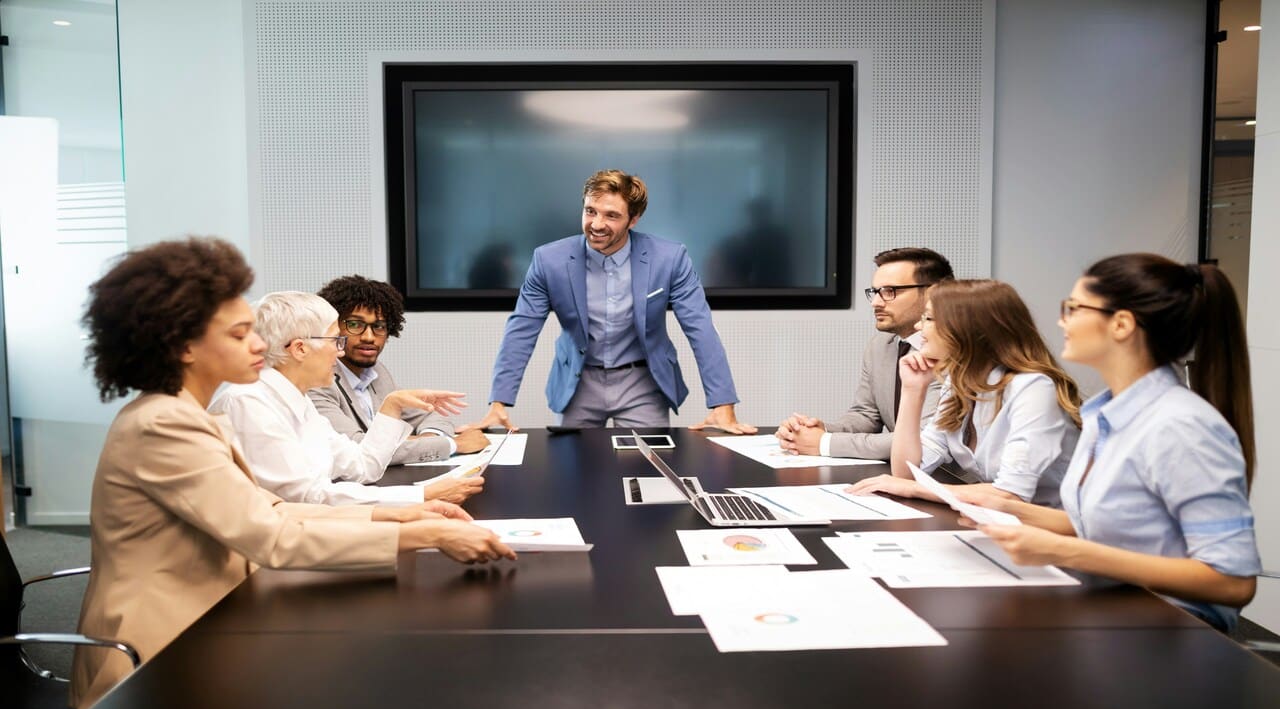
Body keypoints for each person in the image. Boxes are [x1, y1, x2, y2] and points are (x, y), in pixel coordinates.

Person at [71, 238, 513, 709]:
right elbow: (272, 536)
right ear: (184, 347)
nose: (260, 345)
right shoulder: (166, 424)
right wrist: (425, 533)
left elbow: (273, 508)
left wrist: (404, 515)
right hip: (161, 652)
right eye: (239, 334)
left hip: (212, 616)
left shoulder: (183, 412)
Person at [967, 254, 1259, 631]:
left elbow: (1233, 582)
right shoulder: (1105, 414)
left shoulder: (1180, 426)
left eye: (1073, 309)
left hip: (1173, 626)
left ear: (1121, 324)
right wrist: (1007, 510)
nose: (1062, 321)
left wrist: (1068, 551)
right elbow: (1108, 524)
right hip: (1117, 606)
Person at [464, 169, 756, 433]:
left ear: (633, 219)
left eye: (611, 215)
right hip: (578, 381)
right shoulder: (548, 260)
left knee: (648, 467)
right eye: (590, 211)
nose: (596, 224)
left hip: (643, 382)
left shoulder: (670, 258)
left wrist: (723, 403)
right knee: (570, 468)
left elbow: (700, 327)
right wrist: (499, 401)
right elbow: (522, 329)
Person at [210, 292, 484, 506]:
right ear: (300, 349)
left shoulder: (297, 401)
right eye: (335, 341)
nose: (340, 352)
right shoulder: (249, 404)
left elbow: (364, 466)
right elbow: (306, 499)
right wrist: (420, 495)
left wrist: (392, 407)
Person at [848, 279, 1081, 506]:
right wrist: (912, 391)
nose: (919, 327)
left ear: (967, 329)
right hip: (1000, 521)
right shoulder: (959, 382)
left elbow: (1010, 494)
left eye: (928, 318)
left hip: (1052, 526)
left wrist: (916, 488)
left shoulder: (1033, 388)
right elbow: (906, 473)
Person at [776, 247, 952, 459]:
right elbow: (866, 415)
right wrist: (816, 431)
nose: (876, 302)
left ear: (934, 293)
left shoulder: (952, 352)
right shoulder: (880, 346)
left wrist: (825, 443)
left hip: (947, 475)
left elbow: (922, 440)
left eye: (890, 291)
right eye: (875, 292)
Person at [310, 275, 490, 463]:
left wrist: (427, 439)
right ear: (333, 328)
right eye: (355, 324)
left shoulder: (376, 372)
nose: (369, 337)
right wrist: (454, 445)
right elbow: (359, 449)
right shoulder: (316, 380)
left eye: (379, 326)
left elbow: (431, 415)